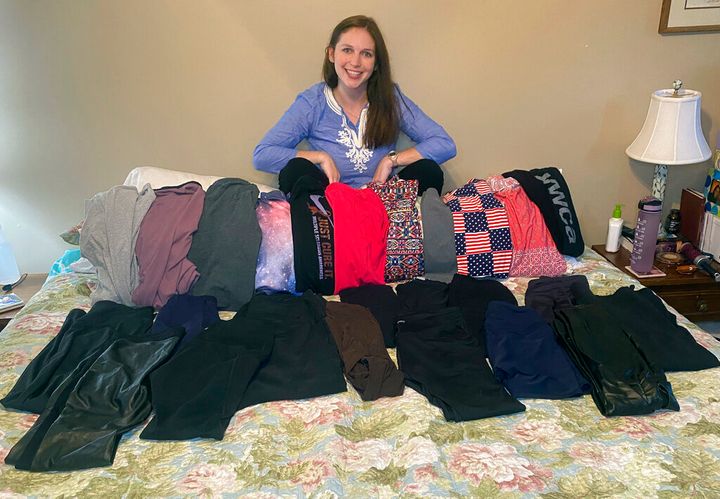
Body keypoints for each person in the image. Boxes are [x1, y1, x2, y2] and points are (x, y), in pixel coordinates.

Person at [253, 15, 456, 195]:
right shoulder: (312, 102)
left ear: (376, 63)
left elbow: (444, 144)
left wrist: (390, 161)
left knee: (429, 171)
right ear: (331, 54)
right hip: (330, 205)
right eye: (347, 50)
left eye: (366, 53)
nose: (356, 62)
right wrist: (320, 157)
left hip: (381, 203)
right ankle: (320, 237)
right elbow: (263, 155)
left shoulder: (390, 98)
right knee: (295, 170)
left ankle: (392, 235)